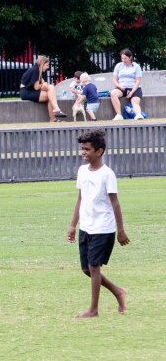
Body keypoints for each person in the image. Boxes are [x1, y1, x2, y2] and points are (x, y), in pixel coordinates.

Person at [67, 129, 130, 318]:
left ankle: (93, 310)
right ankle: (118, 291)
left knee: (94, 267)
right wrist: (73, 225)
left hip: (103, 227)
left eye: (87, 149)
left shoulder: (107, 174)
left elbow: (115, 202)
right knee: (87, 269)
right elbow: (80, 199)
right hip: (86, 226)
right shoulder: (81, 171)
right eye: (82, 149)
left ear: (99, 151)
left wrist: (121, 230)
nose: (83, 152)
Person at [19, 55, 67, 122]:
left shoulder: (37, 70)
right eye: (47, 65)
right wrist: (44, 85)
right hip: (26, 92)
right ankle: (55, 114)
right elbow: (36, 87)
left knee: (50, 93)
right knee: (50, 90)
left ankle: (54, 116)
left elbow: (43, 83)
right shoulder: (35, 70)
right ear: (42, 64)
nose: (47, 67)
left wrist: (44, 84)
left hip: (30, 91)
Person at [110, 49, 144, 120]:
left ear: (130, 57)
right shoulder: (118, 66)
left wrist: (131, 92)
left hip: (134, 88)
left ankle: (138, 115)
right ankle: (119, 115)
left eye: (125, 58)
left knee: (134, 101)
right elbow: (114, 80)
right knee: (113, 93)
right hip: (122, 87)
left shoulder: (136, 66)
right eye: (122, 58)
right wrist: (120, 86)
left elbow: (138, 81)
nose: (123, 60)